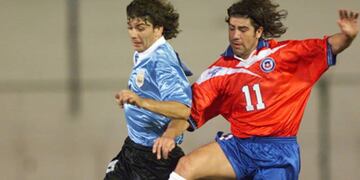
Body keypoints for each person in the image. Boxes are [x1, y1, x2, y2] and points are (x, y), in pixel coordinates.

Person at [168, 0, 359, 180]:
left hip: (278, 152)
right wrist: (169, 135)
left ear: (258, 31)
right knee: (185, 166)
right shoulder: (218, 72)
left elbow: (328, 46)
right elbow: (188, 112)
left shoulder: (285, 55)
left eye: (243, 29)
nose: (235, 35)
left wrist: (347, 36)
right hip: (239, 147)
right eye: (232, 28)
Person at [104, 0, 192, 179]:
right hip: (133, 148)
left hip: (154, 157)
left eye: (141, 28)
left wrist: (141, 101)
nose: (133, 34)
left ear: (158, 29)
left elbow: (183, 109)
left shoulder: (162, 62)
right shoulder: (145, 52)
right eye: (130, 27)